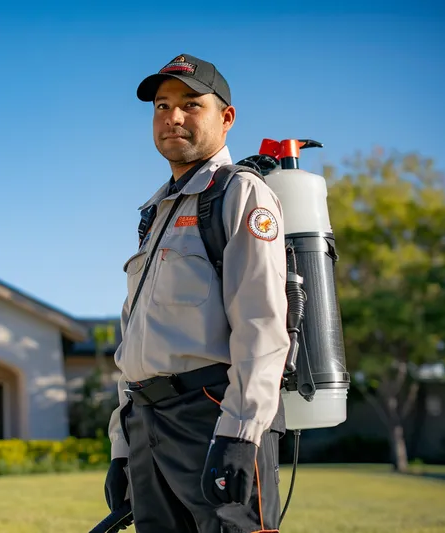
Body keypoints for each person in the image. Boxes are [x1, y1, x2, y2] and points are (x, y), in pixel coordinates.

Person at [103, 53, 290, 533]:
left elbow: (261, 323)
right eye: (162, 106)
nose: (173, 117)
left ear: (226, 118)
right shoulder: (154, 212)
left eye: (191, 104)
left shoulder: (239, 195)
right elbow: (138, 339)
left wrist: (241, 434)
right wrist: (123, 446)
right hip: (148, 425)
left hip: (212, 414)